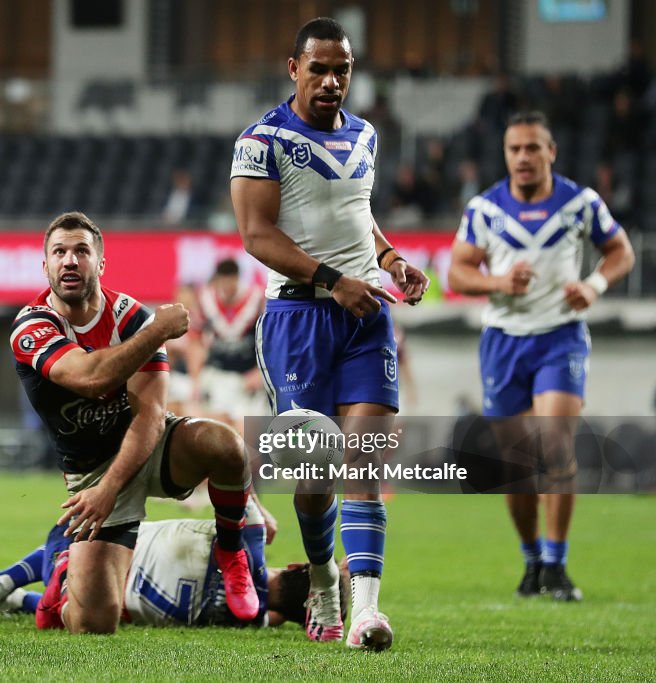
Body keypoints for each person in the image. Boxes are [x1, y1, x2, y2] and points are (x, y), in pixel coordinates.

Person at [229, 17, 429, 651]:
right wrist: (334, 278)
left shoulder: (366, 135)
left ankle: (366, 610)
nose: (332, 80)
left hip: (366, 315)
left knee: (365, 461)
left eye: (342, 69)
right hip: (296, 320)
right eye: (319, 68)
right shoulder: (261, 141)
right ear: (294, 69)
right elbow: (257, 236)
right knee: (313, 481)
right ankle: (320, 580)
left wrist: (391, 257)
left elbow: (357, 211)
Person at [10, 211, 258, 634]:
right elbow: (91, 378)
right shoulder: (32, 326)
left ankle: (231, 552)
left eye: (82, 251)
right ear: (46, 265)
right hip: (92, 472)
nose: (70, 260)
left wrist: (148, 329)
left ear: (100, 264)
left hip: (150, 445)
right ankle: (59, 583)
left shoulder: (129, 317)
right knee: (93, 625)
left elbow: (151, 415)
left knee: (227, 445)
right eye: (59, 252)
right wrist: (156, 332)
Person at [448, 111, 635, 602]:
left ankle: (557, 564)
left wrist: (594, 284)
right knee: (517, 464)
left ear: (551, 151)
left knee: (555, 447)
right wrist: (497, 282)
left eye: (533, 148)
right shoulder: (484, 209)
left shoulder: (581, 203)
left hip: (561, 337)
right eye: (515, 149)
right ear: (505, 154)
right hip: (504, 341)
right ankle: (532, 560)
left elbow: (621, 252)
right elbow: (458, 274)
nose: (524, 157)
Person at [0, 499, 349, 629]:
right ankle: (14, 600)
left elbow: (236, 483)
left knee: (81, 535)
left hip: (93, 555)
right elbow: (276, 616)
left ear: (296, 565)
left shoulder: (250, 544)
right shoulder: (250, 618)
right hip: (97, 602)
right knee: (108, 607)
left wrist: (260, 511)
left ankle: (5, 581)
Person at [193, 258, 268, 432]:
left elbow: (270, 340)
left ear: (238, 278)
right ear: (217, 279)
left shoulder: (256, 300)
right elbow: (195, 341)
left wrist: (261, 372)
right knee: (217, 426)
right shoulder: (206, 300)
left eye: (231, 280)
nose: (227, 286)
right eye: (223, 280)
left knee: (247, 429)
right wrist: (196, 378)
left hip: (247, 376)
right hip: (219, 374)